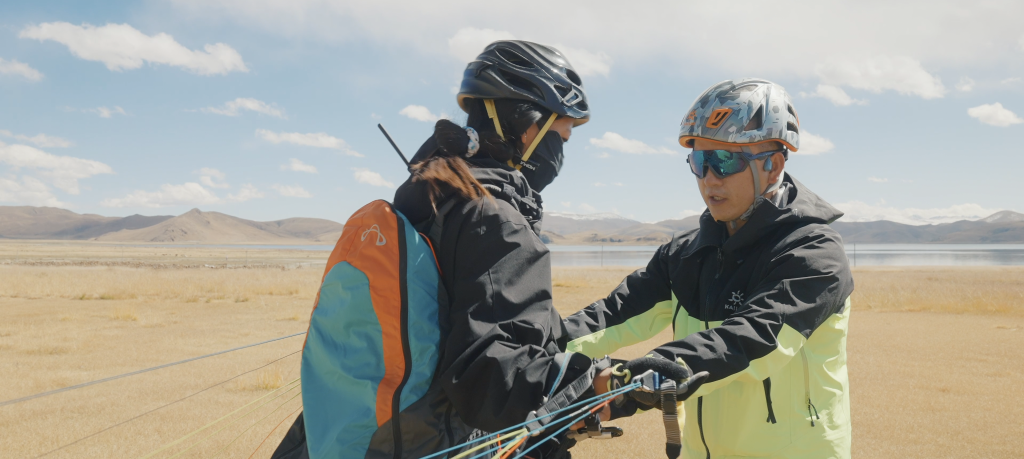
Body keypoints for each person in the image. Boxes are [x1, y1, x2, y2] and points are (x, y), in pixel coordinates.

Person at [273, 40, 601, 459]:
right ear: (528, 126)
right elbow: (489, 375)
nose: (561, 152)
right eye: (562, 136)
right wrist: (598, 384)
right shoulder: (493, 219)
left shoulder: (426, 198)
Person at [565, 79, 855, 459]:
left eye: (725, 160)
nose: (709, 179)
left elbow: (751, 339)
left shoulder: (814, 253)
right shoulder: (685, 254)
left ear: (773, 166)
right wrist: (532, 350)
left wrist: (635, 380)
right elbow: (611, 315)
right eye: (700, 161)